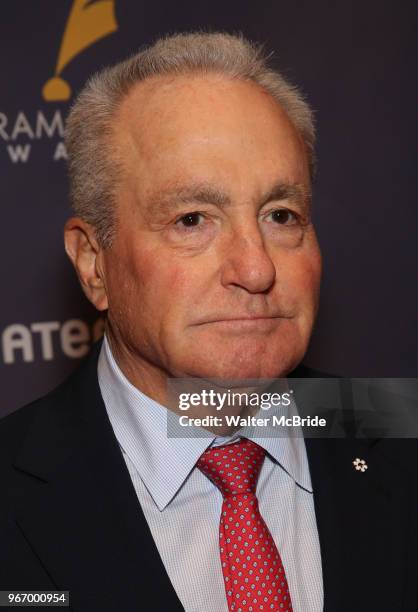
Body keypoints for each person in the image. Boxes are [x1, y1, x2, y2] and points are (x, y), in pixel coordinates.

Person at [0, 32, 416, 612]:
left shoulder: (399, 436)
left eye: (281, 214)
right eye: (193, 219)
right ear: (95, 265)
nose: (256, 267)